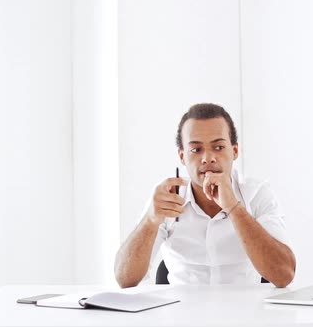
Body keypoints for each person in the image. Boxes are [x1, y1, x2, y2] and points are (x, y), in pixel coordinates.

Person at [114, 103, 296, 288]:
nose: (207, 158)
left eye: (218, 147)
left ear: (234, 151)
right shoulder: (168, 197)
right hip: (181, 312)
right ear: (182, 156)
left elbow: (284, 275)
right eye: (196, 150)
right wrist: (149, 221)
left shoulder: (257, 194)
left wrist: (233, 207)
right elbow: (125, 279)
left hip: (245, 312)